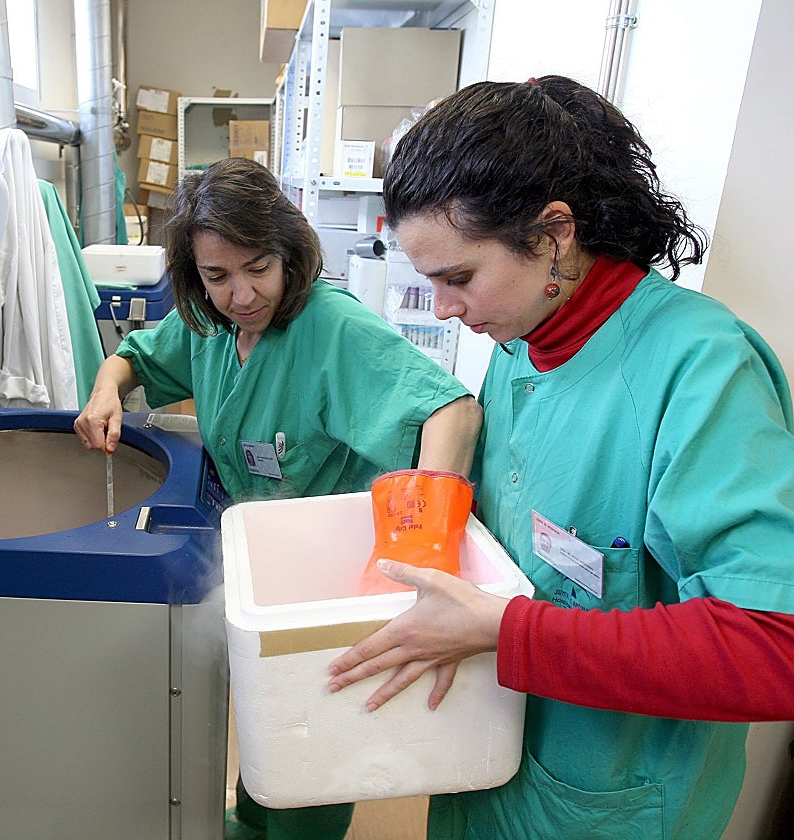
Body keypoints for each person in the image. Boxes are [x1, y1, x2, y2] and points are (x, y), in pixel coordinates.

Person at [325, 75, 794, 839]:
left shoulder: (701, 368)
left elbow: (775, 644)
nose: (443, 309)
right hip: (491, 759)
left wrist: (509, 633)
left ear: (553, 234)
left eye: (459, 278)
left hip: (606, 797)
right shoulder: (523, 337)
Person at [74, 156, 483, 840]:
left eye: (258, 267)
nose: (241, 295)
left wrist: (424, 566)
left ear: (288, 252)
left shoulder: (331, 327)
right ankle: (255, 818)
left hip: (329, 575)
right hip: (263, 561)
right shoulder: (209, 325)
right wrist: (104, 391)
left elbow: (453, 411)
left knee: (314, 738)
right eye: (217, 276)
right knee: (270, 719)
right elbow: (139, 356)